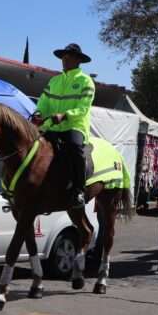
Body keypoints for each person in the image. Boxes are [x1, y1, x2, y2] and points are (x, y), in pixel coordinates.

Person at [36, 43, 95, 208]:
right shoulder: (54, 80)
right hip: (52, 126)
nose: (64, 59)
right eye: (63, 56)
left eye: (68, 56)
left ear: (78, 60)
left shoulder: (86, 81)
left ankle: (79, 191)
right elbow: (44, 102)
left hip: (75, 126)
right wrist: (39, 113)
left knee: (75, 149)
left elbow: (84, 107)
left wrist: (65, 115)